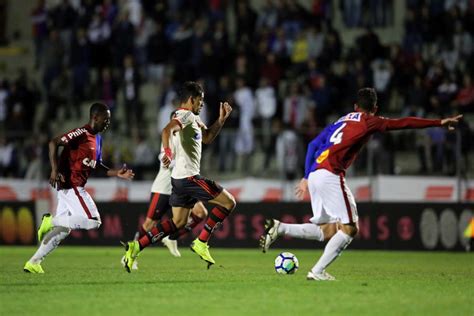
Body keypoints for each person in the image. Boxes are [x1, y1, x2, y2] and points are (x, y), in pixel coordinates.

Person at [260, 87, 463, 281]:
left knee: (327, 231)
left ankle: (281, 228)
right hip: (331, 174)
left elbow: (313, 144)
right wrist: (439, 122)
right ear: (374, 108)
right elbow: (403, 123)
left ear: (356, 106)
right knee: (350, 228)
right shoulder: (369, 121)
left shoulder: (341, 120)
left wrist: (305, 176)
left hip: (314, 174)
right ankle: (317, 271)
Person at [123, 81, 236, 272]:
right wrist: (167, 152)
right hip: (189, 178)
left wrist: (221, 120)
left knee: (178, 223)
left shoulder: (193, 118)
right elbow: (166, 130)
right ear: (191, 100)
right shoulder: (184, 115)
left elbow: (207, 137)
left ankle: (136, 246)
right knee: (229, 202)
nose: (202, 104)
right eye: (200, 100)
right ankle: (201, 242)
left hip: (179, 180)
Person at [24, 102, 135, 273]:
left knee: (63, 230)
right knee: (93, 221)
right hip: (72, 185)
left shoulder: (98, 139)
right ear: (95, 117)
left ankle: (34, 262)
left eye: (109, 120)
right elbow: (53, 143)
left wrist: (116, 173)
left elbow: (96, 165)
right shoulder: (81, 133)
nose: (107, 123)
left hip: (71, 187)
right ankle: (50, 221)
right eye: (105, 119)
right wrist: (54, 170)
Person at [121, 115, 208, 270]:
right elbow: (164, 157)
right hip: (164, 188)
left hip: (181, 188)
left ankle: (171, 237)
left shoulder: (187, 136)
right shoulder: (170, 137)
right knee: (149, 224)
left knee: (200, 213)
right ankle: (130, 254)